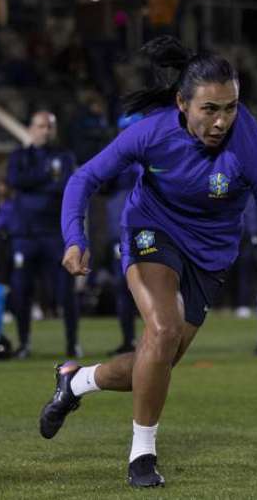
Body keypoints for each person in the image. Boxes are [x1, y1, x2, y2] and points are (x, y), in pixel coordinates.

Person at [39, 36, 257, 488]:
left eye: (231, 107)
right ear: (182, 102)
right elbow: (84, 179)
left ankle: (76, 381)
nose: (222, 121)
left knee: (158, 358)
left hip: (211, 255)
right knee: (163, 329)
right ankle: (142, 454)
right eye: (210, 109)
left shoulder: (252, 147)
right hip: (151, 231)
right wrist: (74, 237)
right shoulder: (151, 132)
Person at [7, 110, 80, 359]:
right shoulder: (18, 156)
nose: (45, 131)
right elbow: (15, 180)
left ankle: (72, 344)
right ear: (30, 128)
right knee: (21, 291)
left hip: (55, 234)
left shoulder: (65, 156)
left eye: (50, 126)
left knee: (65, 293)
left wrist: (34, 182)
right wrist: (46, 176)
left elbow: (66, 186)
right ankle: (24, 343)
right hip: (25, 235)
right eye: (40, 126)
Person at [100, 113, 144, 355]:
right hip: (121, 230)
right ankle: (128, 339)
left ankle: (158, 339)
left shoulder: (154, 154)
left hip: (150, 229)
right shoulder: (116, 158)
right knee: (123, 285)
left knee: (153, 284)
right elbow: (102, 186)